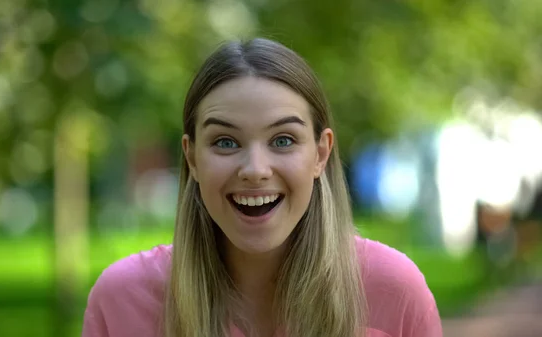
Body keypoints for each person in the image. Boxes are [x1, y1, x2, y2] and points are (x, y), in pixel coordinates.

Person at [82, 38, 443, 337]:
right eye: (225, 142)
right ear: (192, 159)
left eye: (283, 140)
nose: (255, 170)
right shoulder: (121, 300)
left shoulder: (393, 292)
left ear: (321, 153)